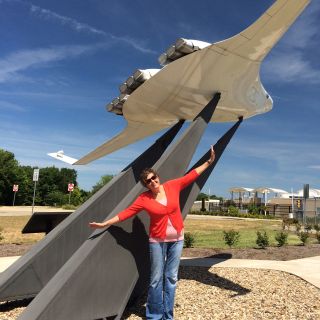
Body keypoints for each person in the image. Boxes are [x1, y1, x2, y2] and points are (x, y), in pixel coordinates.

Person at [89, 145, 215, 320]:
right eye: (148, 181)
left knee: (171, 278)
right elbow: (127, 212)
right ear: (145, 185)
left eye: (153, 178)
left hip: (177, 240)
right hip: (157, 241)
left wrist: (208, 162)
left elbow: (191, 175)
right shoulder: (144, 199)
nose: (153, 182)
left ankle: (168, 316)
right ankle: (154, 316)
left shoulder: (172, 186)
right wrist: (105, 223)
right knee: (156, 279)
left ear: (158, 177)